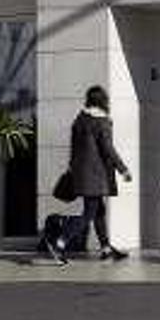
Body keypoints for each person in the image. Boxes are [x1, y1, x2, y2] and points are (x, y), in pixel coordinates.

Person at [53, 86, 133, 264]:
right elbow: (107, 148)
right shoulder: (101, 122)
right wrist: (123, 169)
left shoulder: (80, 120)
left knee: (99, 211)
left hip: (81, 173)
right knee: (89, 214)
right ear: (103, 101)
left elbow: (74, 149)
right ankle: (60, 242)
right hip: (96, 175)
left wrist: (73, 168)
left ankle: (106, 248)